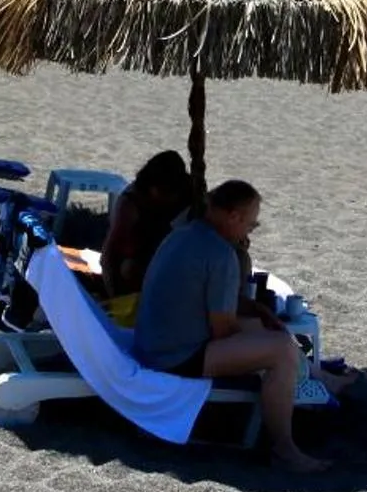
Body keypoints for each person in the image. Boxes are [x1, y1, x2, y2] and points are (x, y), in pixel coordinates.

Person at [132, 180, 328, 473]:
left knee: (265, 333)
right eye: (251, 226)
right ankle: (284, 448)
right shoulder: (221, 255)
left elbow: (205, 299)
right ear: (234, 217)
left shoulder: (183, 234)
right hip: (174, 356)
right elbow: (222, 331)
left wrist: (256, 312)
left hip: (151, 342)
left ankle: (317, 378)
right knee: (281, 350)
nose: (248, 234)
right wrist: (259, 348)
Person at [97, 149, 197, 320]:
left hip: (178, 251)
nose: (169, 197)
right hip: (142, 257)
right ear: (150, 186)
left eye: (173, 192)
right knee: (129, 268)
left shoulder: (190, 192)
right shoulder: (130, 204)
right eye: (163, 191)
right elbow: (109, 256)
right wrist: (117, 301)